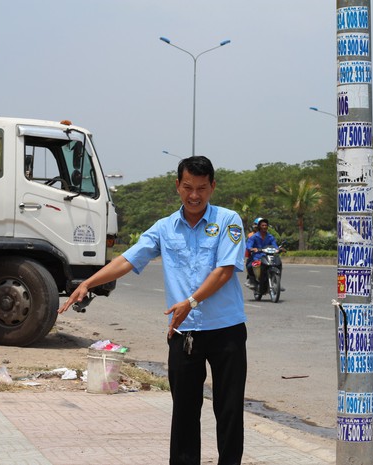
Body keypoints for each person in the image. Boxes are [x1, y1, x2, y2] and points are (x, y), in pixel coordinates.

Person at [58, 155, 247, 465]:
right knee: (184, 412)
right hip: (184, 335)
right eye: (188, 187)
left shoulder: (228, 220)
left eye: (202, 188)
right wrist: (88, 283)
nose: (195, 195)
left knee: (228, 409)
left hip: (226, 331)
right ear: (177, 186)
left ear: (213, 187)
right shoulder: (165, 228)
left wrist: (191, 302)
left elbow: (224, 271)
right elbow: (127, 259)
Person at [245, 218, 278, 288]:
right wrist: (252, 249)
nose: (264, 227)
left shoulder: (270, 237)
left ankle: (276, 282)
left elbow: (275, 245)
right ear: (259, 226)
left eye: (266, 225)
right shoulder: (253, 237)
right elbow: (248, 246)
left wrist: (278, 249)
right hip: (257, 257)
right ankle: (252, 281)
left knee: (277, 264)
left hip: (268, 256)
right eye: (262, 225)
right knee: (250, 266)